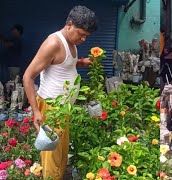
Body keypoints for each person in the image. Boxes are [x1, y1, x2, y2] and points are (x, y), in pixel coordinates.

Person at [23, 5, 97, 180]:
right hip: (51, 108)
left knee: (61, 153)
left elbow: (60, 63)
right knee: (51, 157)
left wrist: (80, 62)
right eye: (81, 33)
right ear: (69, 24)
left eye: (87, 35)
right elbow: (27, 76)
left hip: (63, 110)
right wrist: (36, 111)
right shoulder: (53, 43)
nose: (84, 39)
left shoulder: (71, 42)